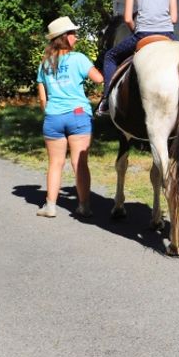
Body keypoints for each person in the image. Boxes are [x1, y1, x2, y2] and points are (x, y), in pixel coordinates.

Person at [97, 0, 178, 116]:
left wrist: (137, 31)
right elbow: (174, 18)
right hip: (168, 36)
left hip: (143, 35)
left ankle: (106, 101)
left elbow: (127, 18)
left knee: (110, 57)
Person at [36, 16, 104, 218]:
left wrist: (51, 112)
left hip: (53, 118)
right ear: (64, 37)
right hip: (77, 115)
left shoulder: (45, 63)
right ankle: (83, 206)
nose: (76, 36)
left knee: (55, 163)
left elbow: (42, 99)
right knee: (79, 163)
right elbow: (99, 79)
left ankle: (50, 206)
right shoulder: (79, 59)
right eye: (72, 33)